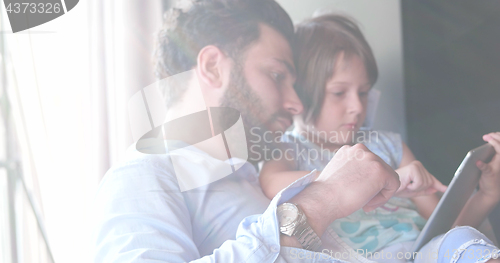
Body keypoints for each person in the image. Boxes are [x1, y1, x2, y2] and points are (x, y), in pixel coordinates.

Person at [91, 1, 500, 262]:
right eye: (276, 75)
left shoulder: (249, 177)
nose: (297, 103)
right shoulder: (143, 178)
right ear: (213, 66)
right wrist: (325, 197)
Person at [259, 13, 500, 261]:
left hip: (420, 254)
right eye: (339, 93)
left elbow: (445, 227)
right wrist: (357, 176)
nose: (356, 106)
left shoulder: (389, 146)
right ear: (301, 93)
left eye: (363, 92)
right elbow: (269, 182)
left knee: (463, 240)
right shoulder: (291, 148)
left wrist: (488, 194)